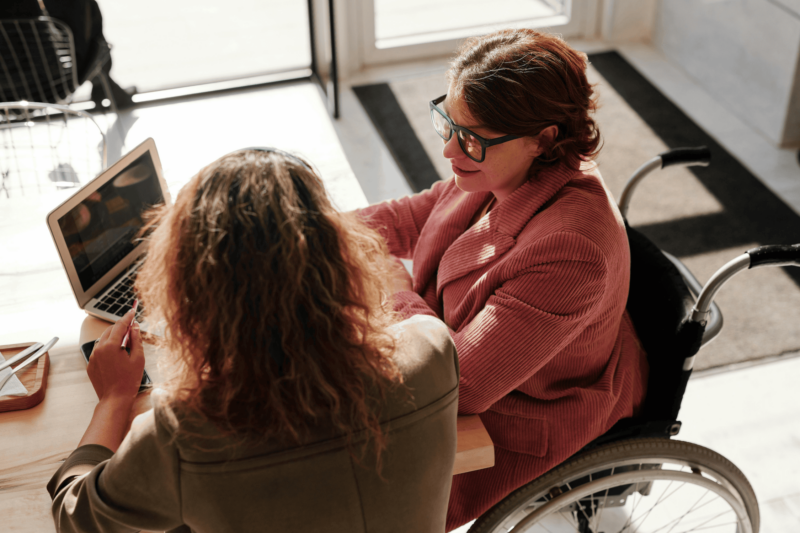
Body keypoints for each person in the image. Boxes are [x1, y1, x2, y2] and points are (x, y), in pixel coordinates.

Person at [47, 149, 460, 532]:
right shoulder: (433, 349)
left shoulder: (184, 433)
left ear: (192, 289)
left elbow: (75, 517)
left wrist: (114, 399)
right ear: (341, 256)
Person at [358, 29, 649, 531]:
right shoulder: (500, 165)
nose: (449, 150)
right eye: (446, 123)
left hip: (518, 418)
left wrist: (392, 286)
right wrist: (307, 228)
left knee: (355, 482)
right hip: (469, 353)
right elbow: (414, 216)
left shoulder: (570, 251)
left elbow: (460, 386)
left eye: (470, 137)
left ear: (544, 138)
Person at [1, 0, 135, 109]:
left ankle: (101, 82)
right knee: (82, 13)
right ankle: (101, 80)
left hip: (3, 95)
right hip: (52, 84)